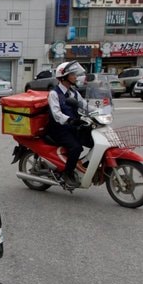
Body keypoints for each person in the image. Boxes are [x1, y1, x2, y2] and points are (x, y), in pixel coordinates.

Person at [46, 60, 93, 188]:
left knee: (92, 140)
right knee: (76, 147)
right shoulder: (54, 94)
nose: (75, 77)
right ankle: (67, 173)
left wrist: (101, 112)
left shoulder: (74, 92)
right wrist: (70, 120)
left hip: (73, 126)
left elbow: (85, 106)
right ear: (64, 77)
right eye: (73, 75)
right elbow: (56, 114)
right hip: (59, 129)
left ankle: (83, 166)